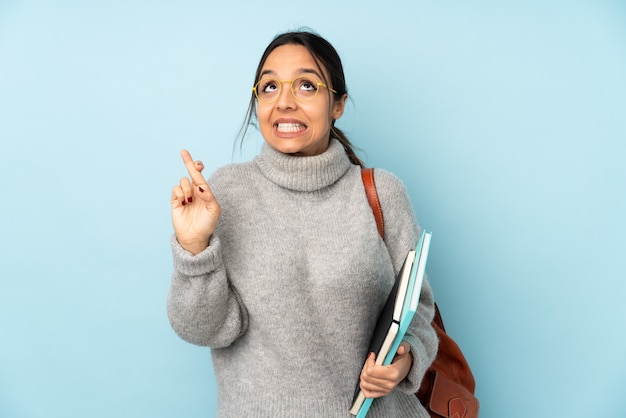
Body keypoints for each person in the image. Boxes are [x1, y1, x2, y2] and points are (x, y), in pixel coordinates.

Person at [167, 29, 438, 418]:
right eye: (270, 86)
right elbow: (204, 329)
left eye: (307, 86)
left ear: (338, 104)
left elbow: (420, 312)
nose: (285, 102)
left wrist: (405, 361)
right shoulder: (225, 194)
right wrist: (195, 250)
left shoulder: (381, 193)